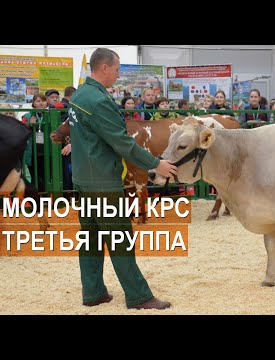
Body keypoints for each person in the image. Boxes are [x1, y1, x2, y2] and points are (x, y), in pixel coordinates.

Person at [69, 47, 177, 310]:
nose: (118, 75)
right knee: (120, 239)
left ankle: (93, 292)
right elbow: (122, 143)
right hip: (103, 181)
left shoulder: (79, 95)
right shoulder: (99, 101)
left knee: (91, 239)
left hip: (83, 179)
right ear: (104, 68)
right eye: (117, 70)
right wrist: (156, 164)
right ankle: (139, 296)